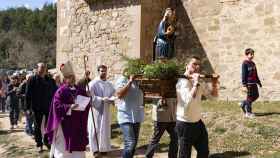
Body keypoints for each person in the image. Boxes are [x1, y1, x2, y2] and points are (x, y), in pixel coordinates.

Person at [45, 61, 91, 158]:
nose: (71, 79)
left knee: (78, 152)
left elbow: (86, 105)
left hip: (78, 125)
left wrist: (88, 100)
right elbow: (56, 106)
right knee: (63, 152)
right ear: (65, 79)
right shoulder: (60, 91)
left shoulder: (80, 91)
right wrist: (69, 107)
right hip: (64, 125)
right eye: (68, 77)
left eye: (72, 76)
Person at [176, 56, 212, 158]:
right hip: (185, 124)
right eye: (194, 64)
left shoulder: (198, 80)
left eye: (198, 65)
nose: (197, 67)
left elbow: (212, 96)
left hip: (197, 122)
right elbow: (187, 102)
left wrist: (214, 83)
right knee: (184, 155)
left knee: (204, 151)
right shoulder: (182, 82)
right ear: (187, 66)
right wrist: (195, 84)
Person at [25, 63, 57, 152]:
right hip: (36, 107)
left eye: (44, 68)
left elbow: (55, 93)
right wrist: (27, 108)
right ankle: (39, 144)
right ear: (37, 69)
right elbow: (28, 94)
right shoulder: (32, 79)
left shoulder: (50, 80)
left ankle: (47, 141)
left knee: (48, 125)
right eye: (41, 68)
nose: (43, 69)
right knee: (37, 126)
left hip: (48, 107)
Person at [88, 65, 115, 156]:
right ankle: (95, 150)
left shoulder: (109, 84)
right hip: (96, 110)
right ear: (98, 71)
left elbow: (113, 94)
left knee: (105, 129)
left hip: (106, 110)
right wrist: (101, 99)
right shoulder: (93, 83)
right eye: (101, 71)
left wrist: (112, 99)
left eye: (105, 71)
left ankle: (103, 148)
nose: (103, 72)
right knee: (95, 129)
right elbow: (90, 97)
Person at [115, 75, 144, 158]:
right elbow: (119, 94)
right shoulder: (122, 79)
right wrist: (130, 81)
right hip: (125, 116)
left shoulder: (138, 81)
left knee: (133, 144)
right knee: (130, 142)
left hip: (136, 116)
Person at [240, 48, 262, 118]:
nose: (252, 55)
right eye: (251, 54)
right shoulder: (245, 63)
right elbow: (244, 74)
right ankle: (248, 113)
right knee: (249, 98)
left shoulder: (253, 63)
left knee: (256, 96)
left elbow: (256, 74)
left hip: (254, 83)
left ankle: (243, 103)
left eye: (253, 54)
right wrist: (244, 84)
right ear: (247, 55)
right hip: (248, 84)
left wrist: (259, 82)